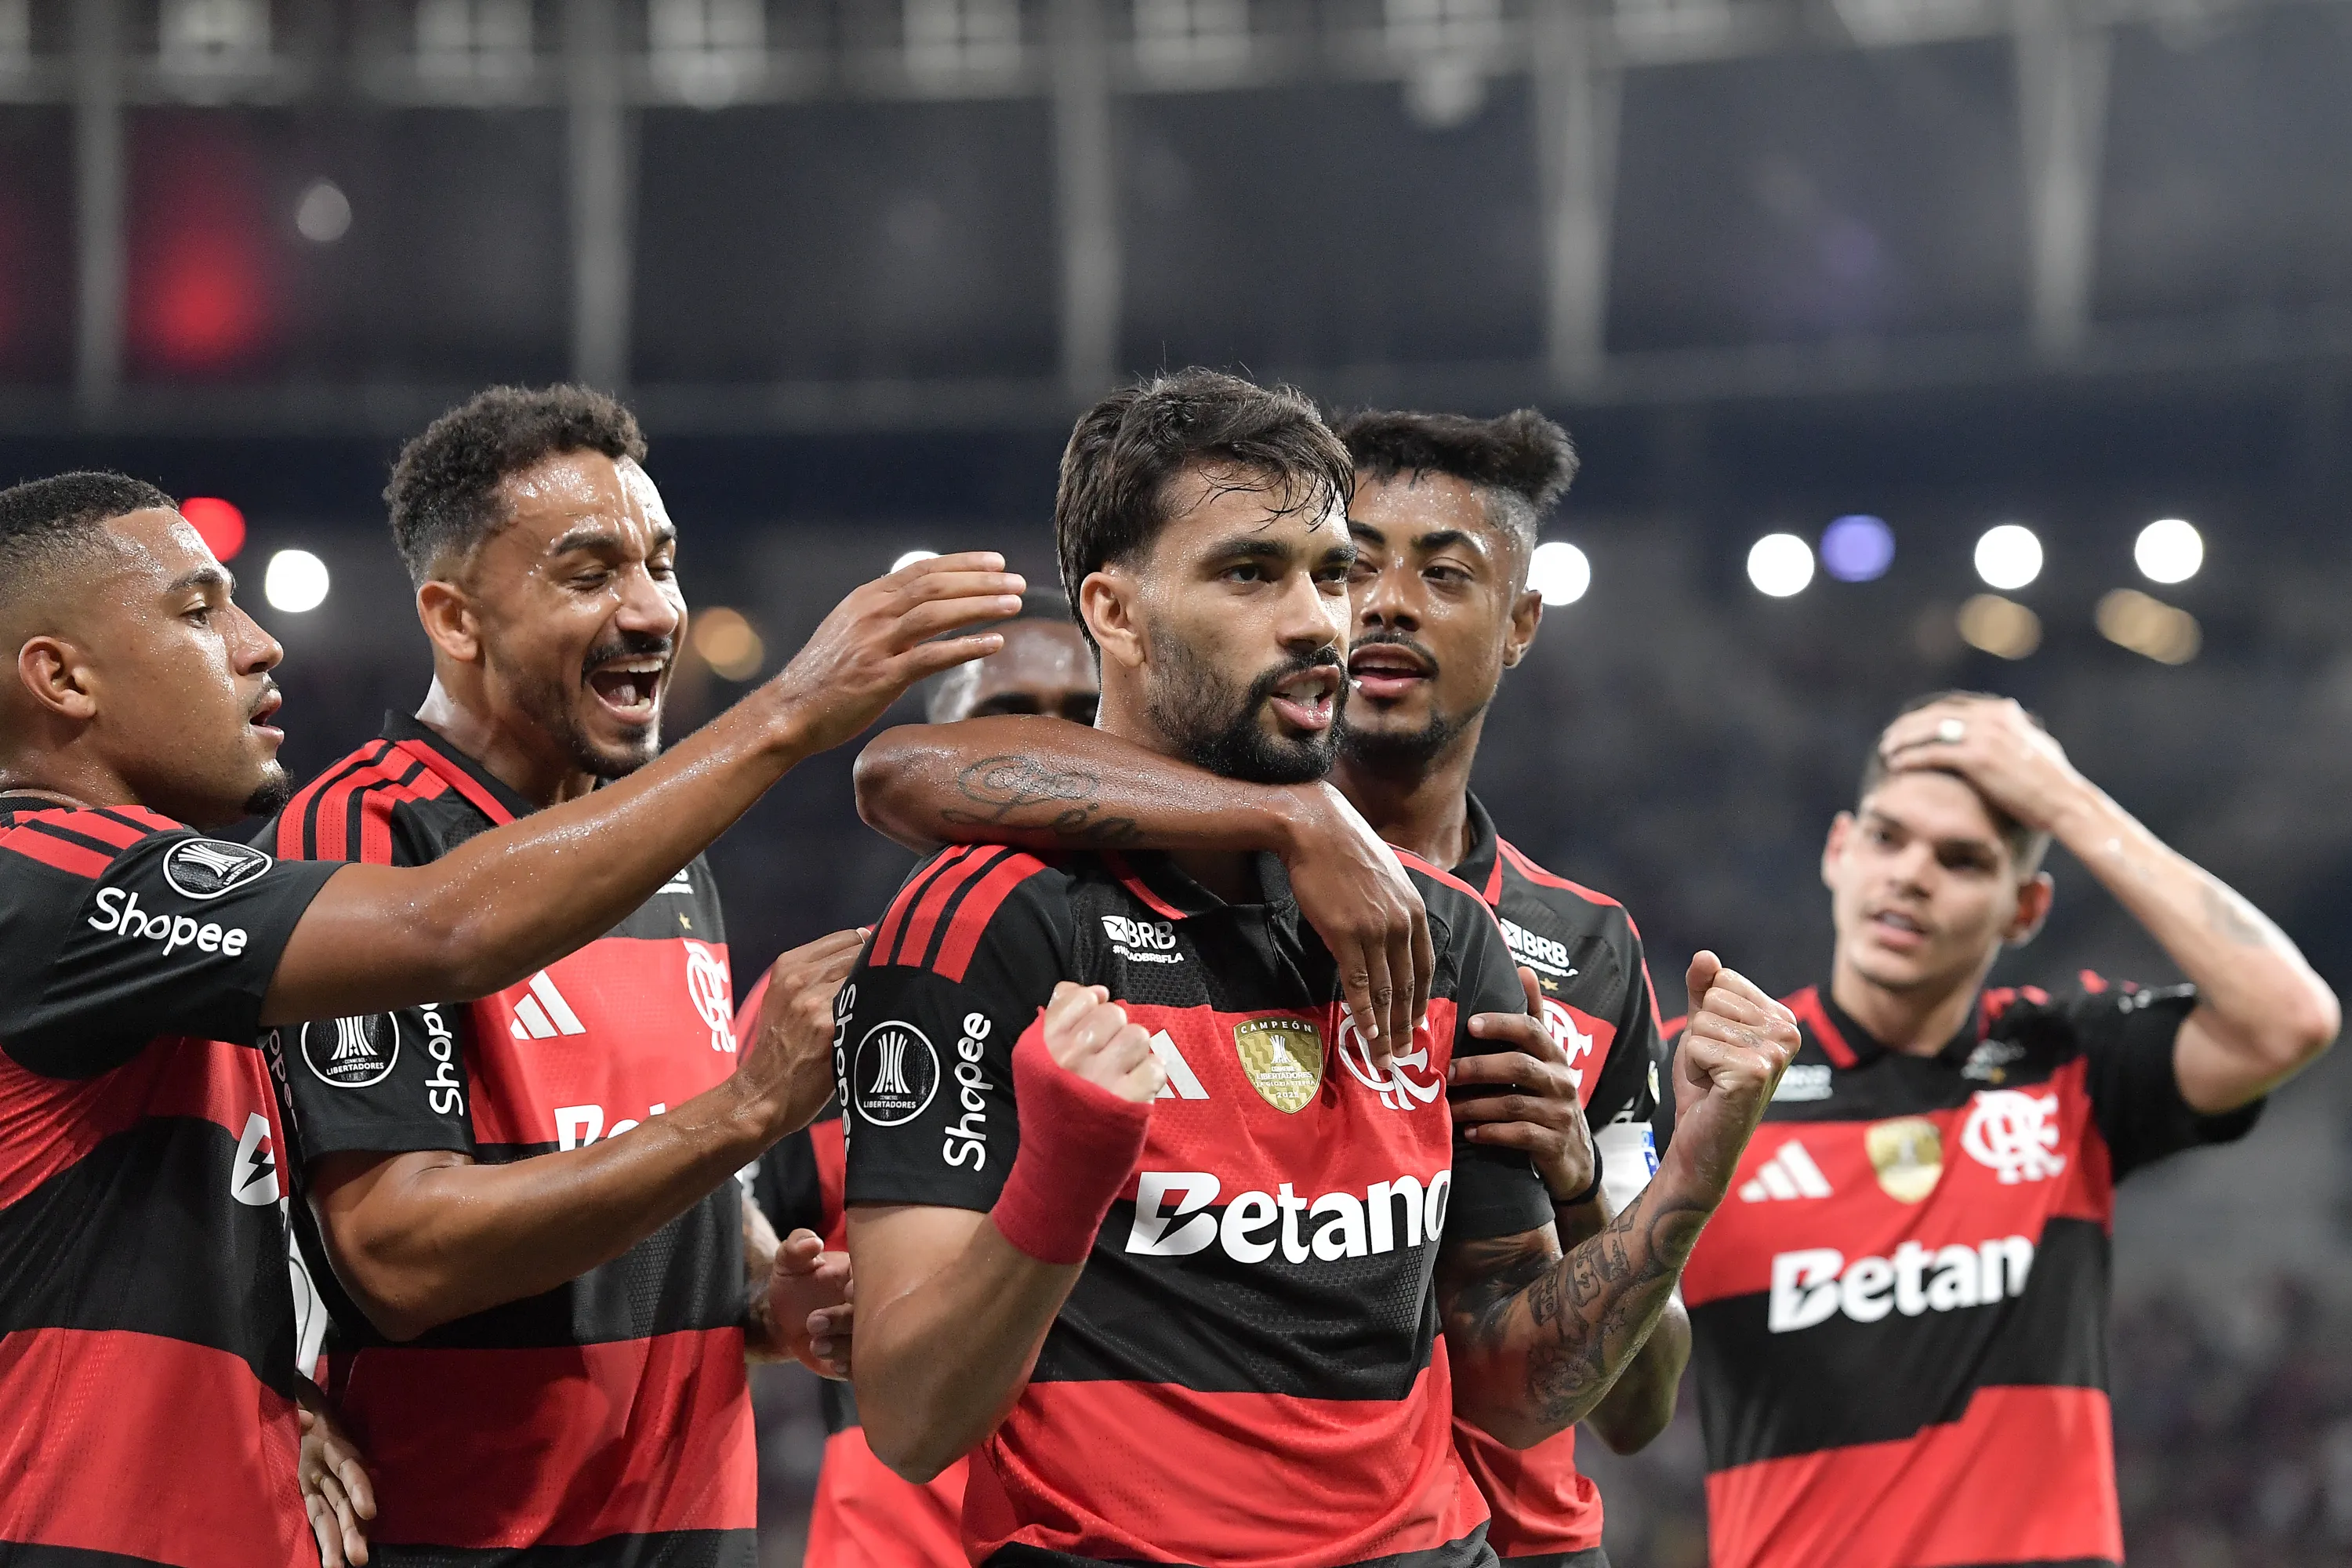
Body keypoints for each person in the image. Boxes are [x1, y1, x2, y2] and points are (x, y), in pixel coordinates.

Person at [837, 368, 1796, 1568]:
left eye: (1328, 574)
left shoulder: (1454, 936)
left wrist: (1688, 1170)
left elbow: (1511, 1392)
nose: (1325, 622)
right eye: (1253, 574)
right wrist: (1069, 1170)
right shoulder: (983, 922)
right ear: (1115, 615)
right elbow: (912, 1420)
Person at [0, 470, 1021, 1568]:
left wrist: (276, 1380)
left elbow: (190, 1237)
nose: (259, 644)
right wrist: (789, 715)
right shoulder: (40, 871)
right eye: (200, 612)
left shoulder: (179, 955)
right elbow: (445, 935)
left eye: (662, 564)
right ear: (62, 677)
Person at [265, 386, 937, 1567]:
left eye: (662, 563)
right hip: (472, 1542)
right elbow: (400, 1255)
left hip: (697, 1536)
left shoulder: (663, 842)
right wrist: (747, 1111)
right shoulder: (366, 834)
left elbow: (635, 1140)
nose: (653, 609)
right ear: (455, 619)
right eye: (590, 574)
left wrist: (761, 1287)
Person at [1672, 691, 2339, 1568]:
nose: (1912, 874)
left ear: (2025, 908)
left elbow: (2291, 1019)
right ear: (1839, 850)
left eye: (1961, 859)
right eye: (1887, 837)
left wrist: (2069, 801)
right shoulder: (1710, 1077)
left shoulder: (2066, 1059)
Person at [747, 596, 1094, 1568]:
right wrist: (783, 1294)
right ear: (940, 753)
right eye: (1010, 710)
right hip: (899, 1534)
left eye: (1083, 715)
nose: (1048, 745)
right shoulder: (825, 996)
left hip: (1128, 1521)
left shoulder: (1205, 980)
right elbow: (719, 1259)